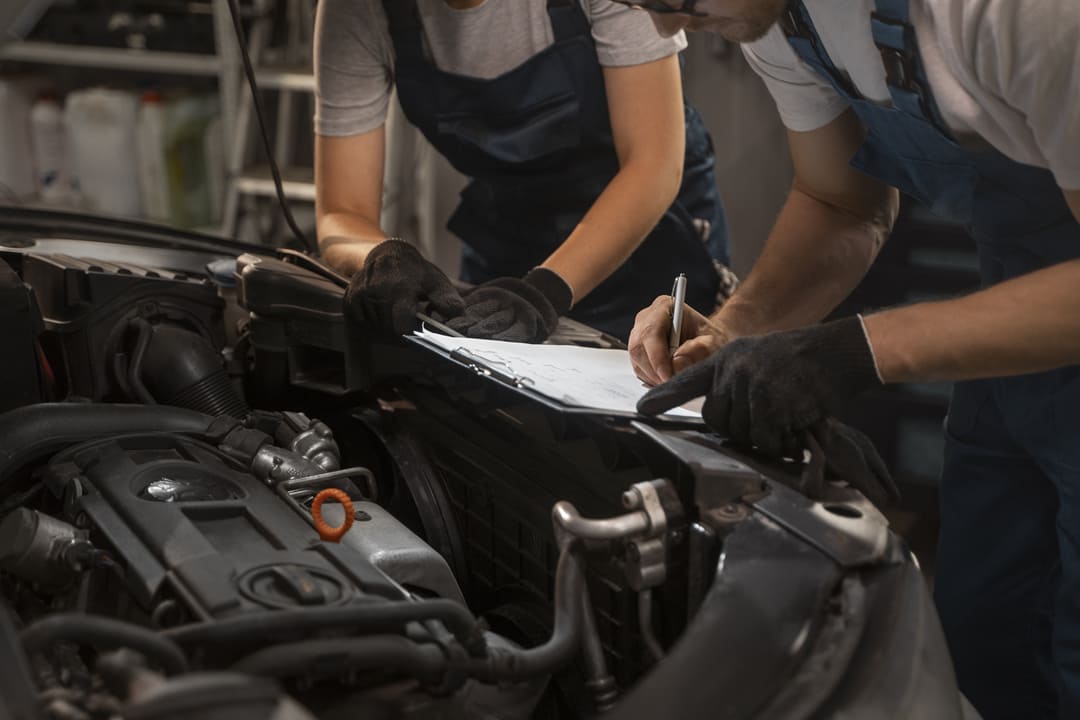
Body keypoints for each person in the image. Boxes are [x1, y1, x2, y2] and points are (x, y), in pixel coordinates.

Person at [622, 0, 1080, 717]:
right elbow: (843, 203)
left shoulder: (1013, 11)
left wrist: (858, 350)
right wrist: (733, 329)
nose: (663, 29)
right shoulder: (773, 20)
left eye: (678, 3)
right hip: (1013, 343)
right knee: (987, 643)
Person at [315, 0, 735, 343]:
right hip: (510, 242)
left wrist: (545, 290)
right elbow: (343, 210)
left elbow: (653, 163)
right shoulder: (359, 10)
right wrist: (381, 257)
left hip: (649, 233)